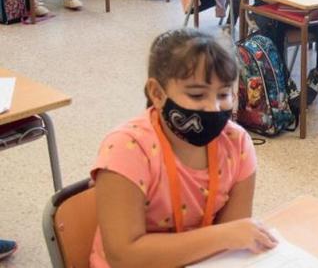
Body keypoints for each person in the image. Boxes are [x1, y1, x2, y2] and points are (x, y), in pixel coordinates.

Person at [90, 28, 273, 267]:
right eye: (197, 96)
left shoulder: (236, 144)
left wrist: (230, 236)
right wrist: (225, 236)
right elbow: (124, 256)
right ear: (157, 93)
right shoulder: (127, 149)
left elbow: (231, 247)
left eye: (224, 94)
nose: (214, 108)